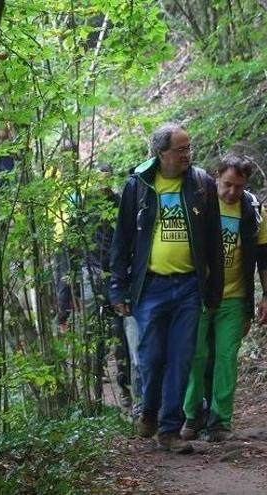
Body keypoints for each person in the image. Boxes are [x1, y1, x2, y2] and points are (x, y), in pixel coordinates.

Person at [109, 122, 223, 454]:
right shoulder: (139, 185)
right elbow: (122, 240)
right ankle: (149, 410)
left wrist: (213, 290)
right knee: (152, 356)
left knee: (181, 358)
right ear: (161, 153)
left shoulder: (202, 185)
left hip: (189, 286)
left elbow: (214, 241)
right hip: (151, 286)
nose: (188, 154)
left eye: (190, 148)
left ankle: (170, 430)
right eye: (181, 149)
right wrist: (118, 288)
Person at [180, 154, 267, 442]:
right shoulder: (200, 203)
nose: (232, 192)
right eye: (227, 184)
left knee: (226, 358)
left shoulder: (251, 209)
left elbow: (264, 256)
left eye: (239, 186)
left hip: (235, 298)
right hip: (199, 294)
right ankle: (192, 415)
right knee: (195, 356)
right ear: (217, 176)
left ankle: (220, 420)